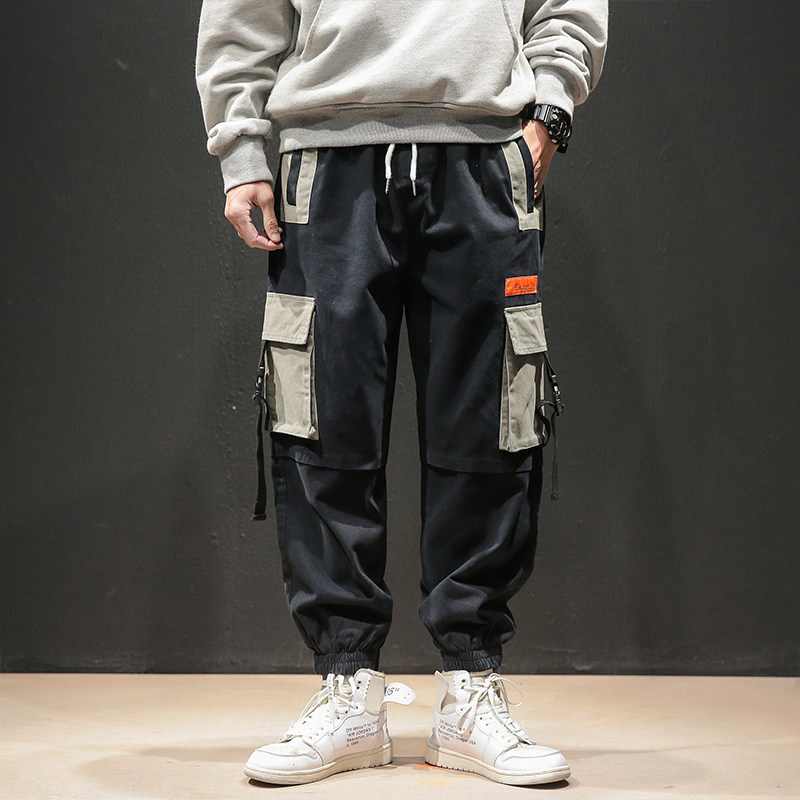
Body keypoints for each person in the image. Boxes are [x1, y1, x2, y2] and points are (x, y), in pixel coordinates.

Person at [195, 0, 607, 787]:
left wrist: (550, 109)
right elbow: (242, 15)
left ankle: (470, 687)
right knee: (321, 422)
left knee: (492, 421)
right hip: (326, 155)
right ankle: (347, 686)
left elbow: (568, 9)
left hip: (486, 154)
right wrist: (242, 149)